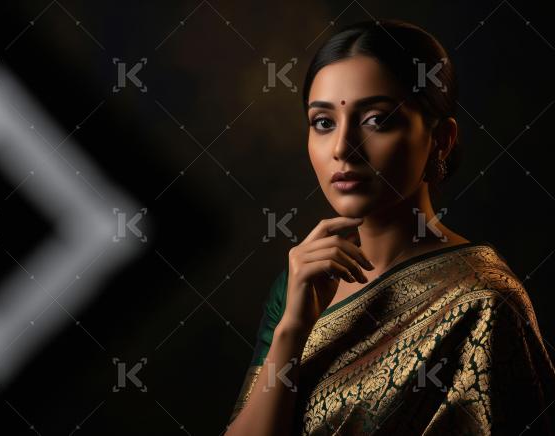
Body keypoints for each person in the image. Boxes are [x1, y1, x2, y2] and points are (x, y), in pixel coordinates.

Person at [225, 19, 555, 435]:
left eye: (377, 120)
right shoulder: (300, 286)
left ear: (442, 140)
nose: (343, 148)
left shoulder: (483, 302)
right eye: (323, 123)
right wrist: (291, 331)